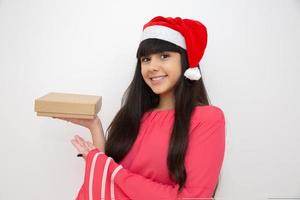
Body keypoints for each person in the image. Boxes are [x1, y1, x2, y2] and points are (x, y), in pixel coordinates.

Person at [56, 16, 226, 200]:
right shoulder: (133, 116)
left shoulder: (207, 119)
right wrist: (95, 127)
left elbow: (194, 197)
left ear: (185, 61)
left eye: (164, 56)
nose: (152, 67)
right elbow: (107, 181)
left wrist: (109, 169)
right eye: (145, 59)